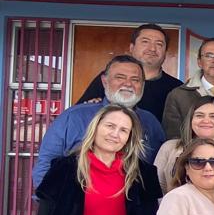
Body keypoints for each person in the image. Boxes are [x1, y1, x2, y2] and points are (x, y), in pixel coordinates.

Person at [34, 55, 167, 190]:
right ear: (104, 81)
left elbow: (159, 170)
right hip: (78, 200)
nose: (128, 84)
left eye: (135, 80)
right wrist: (54, 200)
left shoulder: (150, 122)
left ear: (142, 85)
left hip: (131, 201)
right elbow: (46, 165)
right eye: (120, 77)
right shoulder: (74, 117)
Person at [78, 23, 181, 121]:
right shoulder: (110, 78)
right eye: (145, 42)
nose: (152, 48)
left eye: (159, 44)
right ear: (132, 48)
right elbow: (81, 114)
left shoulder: (176, 88)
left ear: (165, 52)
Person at [153, 96, 214, 193]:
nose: (206, 121)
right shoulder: (169, 148)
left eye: (213, 116)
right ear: (191, 119)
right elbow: (158, 187)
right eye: (199, 115)